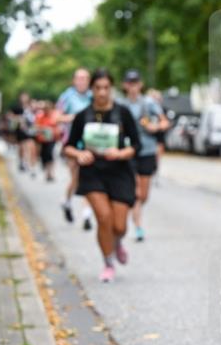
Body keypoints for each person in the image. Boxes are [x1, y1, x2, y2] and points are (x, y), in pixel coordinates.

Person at [63, 69, 141, 283]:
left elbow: (136, 145)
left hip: (119, 172)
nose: (102, 92)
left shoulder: (123, 113)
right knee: (104, 218)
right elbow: (68, 147)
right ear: (92, 90)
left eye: (106, 88)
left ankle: (117, 242)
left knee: (119, 226)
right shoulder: (83, 116)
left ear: (111, 88)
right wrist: (79, 154)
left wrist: (120, 153)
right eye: (98, 88)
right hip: (93, 172)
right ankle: (108, 263)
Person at [120, 69, 168, 242]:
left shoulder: (149, 103)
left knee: (143, 195)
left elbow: (164, 122)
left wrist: (155, 127)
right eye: (129, 83)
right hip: (129, 150)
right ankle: (138, 226)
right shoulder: (121, 104)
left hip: (147, 150)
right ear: (125, 85)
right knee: (136, 191)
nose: (133, 87)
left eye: (135, 83)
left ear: (140, 84)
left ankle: (134, 214)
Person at [56, 68, 93, 226]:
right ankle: (67, 201)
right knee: (76, 178)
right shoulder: (67, 96)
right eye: (79, 78)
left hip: (90, 142)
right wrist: (75, 118)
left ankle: (86, 214)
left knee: (88, 177)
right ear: (74, 80)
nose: (82, 81)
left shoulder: (93, 96)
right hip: (72, 142)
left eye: (85, 78)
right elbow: (57, 117)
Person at [10, 92, 37, 176]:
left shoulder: (31, 106)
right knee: (22, 146)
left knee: (31, 146)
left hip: (31, 130)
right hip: (21, 130)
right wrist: (19, 119)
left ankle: (31, 165)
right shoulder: (17, 107)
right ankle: (22, 161)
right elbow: (11, 116)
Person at [34, 100, 61, 182]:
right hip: (42, 140)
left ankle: (50, 173)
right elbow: (36, 127)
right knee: (44, 156)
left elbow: (58, 126)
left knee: (50, 155)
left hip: (52, 139)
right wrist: (43, 129)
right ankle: (47, 172)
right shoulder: (40, 117)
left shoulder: (54, 116)